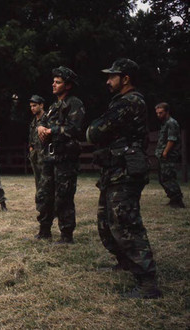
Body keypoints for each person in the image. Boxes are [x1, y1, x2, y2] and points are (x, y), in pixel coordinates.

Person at [86, 58, 162, 298]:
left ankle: (147, 282)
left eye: (112, 76)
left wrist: (95, 131)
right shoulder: (121, 102)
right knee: (106, 222)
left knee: (126, 224)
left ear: (125, 78)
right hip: (115, 170)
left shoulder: (129, 102)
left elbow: (95, 132)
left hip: (126, 171)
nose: (108, 81)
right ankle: (125, 261)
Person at [35, 66, 85, 244]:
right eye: (53, 81)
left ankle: (66, 235)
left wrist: (51, 130)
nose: (53, 84)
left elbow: (75, 128)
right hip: (49, 158)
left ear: (68, 85)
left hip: (65, 159)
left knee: (63, 196)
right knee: (44, 195)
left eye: (58, 82)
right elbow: (43, 123)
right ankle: (44, 231)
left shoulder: (75, 104)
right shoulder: (53, 106)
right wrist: (41, 127)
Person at [154, 102, 185, 208]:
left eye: (161, 113)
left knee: (168, 178)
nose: (159, 115)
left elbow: (171, 139)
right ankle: (173, 199)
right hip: (163, 155)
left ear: (167, 112)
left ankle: (177, 200)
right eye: (157, 113)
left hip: (168, 156)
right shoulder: (165, 123)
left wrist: (165, 152)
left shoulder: (171, 123)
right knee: (163, 178)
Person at [28, 95, 46, 190]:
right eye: (31, 106)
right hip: (35, 156)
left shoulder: (48, 119)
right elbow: (31, 138)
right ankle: (40, 200)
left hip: (46, 155)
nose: (32, 108)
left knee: (47, 182)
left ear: (41, 105)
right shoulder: (34, 121)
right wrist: (31, 149)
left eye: (34, 105)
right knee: (38, 182)